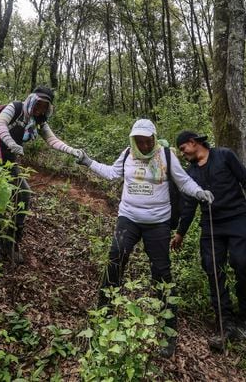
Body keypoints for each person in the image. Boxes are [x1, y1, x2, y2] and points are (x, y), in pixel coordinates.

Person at [75, 119, 214, 358]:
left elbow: (184, 181)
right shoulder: (128, 153)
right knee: (115, 258)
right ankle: (103, 314)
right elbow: (111, 173)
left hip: (158, 223)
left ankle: (168, 331)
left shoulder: (167, 156)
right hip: (128, 217)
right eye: (139, 141)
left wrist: (200, 192)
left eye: (148, 140)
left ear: (154, 137)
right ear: (133, 140)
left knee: (161, 272)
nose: (144, 144)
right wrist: (88, 161)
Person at [171, 130, 246, 351]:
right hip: (211, 226)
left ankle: (245, 317)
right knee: (212, 268)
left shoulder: (224, 155)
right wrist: (180, 233)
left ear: (193, 143)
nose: (183, 154)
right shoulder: (191, 173)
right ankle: (225, 323)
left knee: (242, 263)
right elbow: (189, 205)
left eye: (184, 149)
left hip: (237, 219)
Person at [0, 86, 81, 265]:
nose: (40, 108)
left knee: (23, 193)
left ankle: (11, 242)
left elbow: (52, 140)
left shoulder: (39, 121)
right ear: (32, 99)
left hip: (8, 159)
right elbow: (0, 124)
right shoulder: (15, 107)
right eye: (39, 103)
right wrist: (11, 143)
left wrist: (73, 151)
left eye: (45, 106)